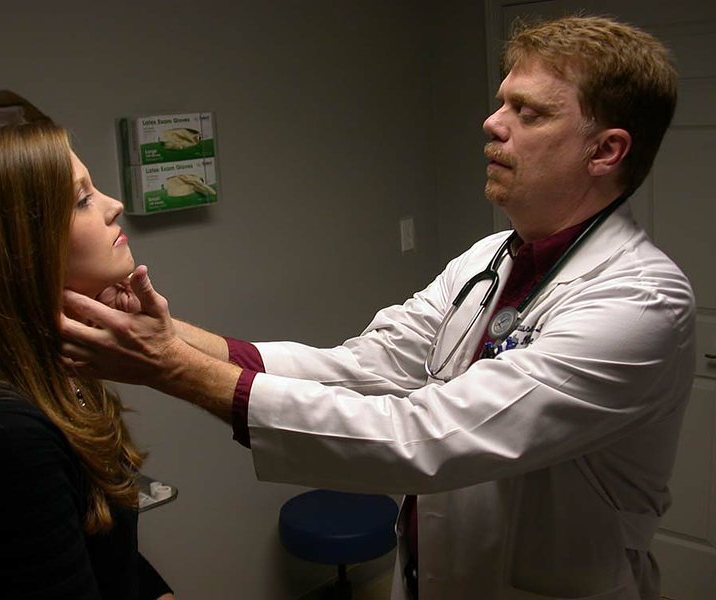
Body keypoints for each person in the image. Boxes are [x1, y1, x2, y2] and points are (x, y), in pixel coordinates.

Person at [60, 16, 695, 600]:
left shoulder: (639, 305)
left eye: (527, 112)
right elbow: (363, 366)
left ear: (605, 151)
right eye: (502, 100)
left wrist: (171, 367)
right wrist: (170, 337)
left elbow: (423, 436)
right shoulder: (489, 259)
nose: (493, 122)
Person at [0, 122, 173, 600]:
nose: (114, 205)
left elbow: (104, 548)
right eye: (82, 200)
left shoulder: (59, 369)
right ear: (19, 248)